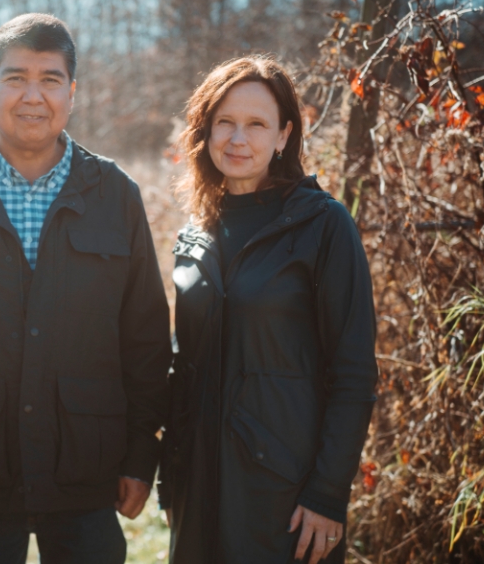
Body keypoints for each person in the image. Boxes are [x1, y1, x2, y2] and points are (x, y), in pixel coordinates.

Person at [0, 13, 172, 564]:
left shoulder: (114, 194)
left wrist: (141, 456)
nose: (32, 96)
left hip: (87, 474)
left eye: (50, 79)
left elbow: (144, 337)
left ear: (72, 93)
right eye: (15, 77)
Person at [159, 56, 378, 564]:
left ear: (284, 136)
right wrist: (172, 480)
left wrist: (327, 495)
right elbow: (183, 368)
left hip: (284, 495)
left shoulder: (324, 226)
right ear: (206, 132)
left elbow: (354, 374)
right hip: (198, 490)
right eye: (225, 122)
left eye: (257, 124)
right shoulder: (194, 235)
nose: (239, 138)